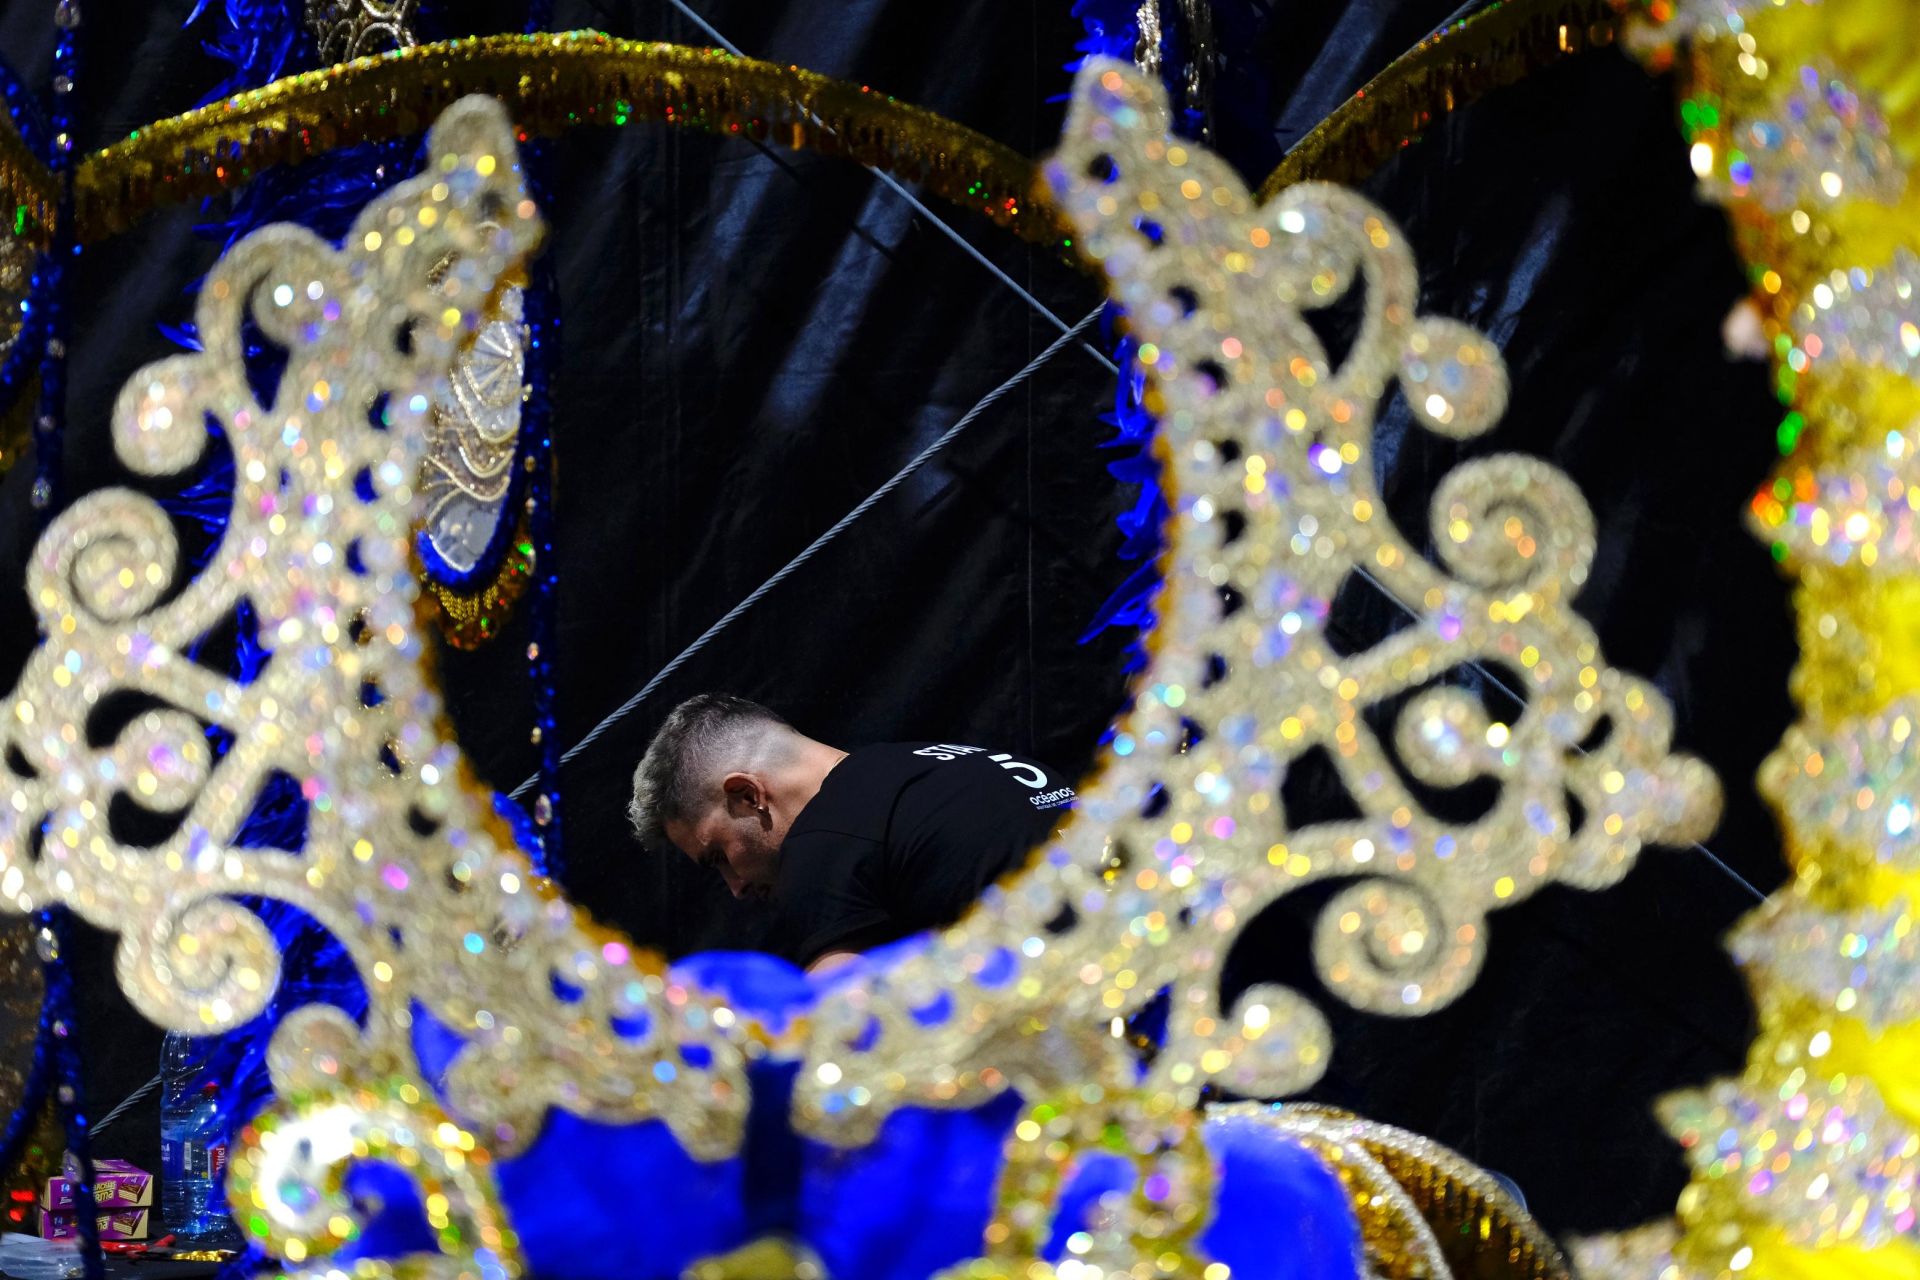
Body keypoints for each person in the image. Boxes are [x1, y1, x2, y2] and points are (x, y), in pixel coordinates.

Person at [628, 694, 1075, 971]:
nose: (736, 888)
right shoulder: (939, 762)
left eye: (719, 856)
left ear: (748, 795)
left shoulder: (822, 843)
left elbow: (834, 1042)